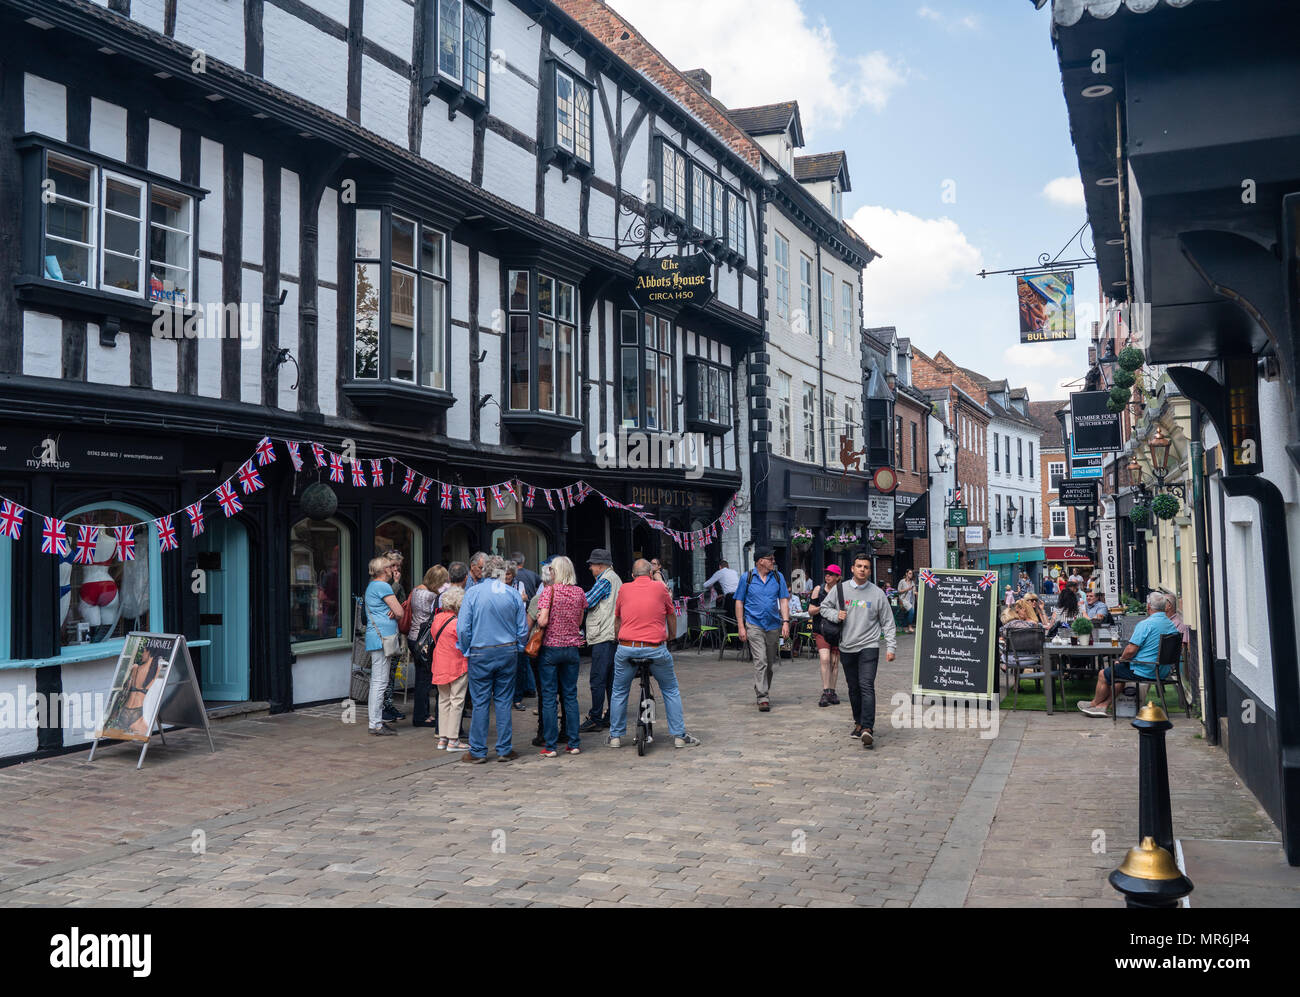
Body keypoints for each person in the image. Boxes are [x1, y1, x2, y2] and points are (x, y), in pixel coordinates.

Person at [607, 559, 700, 749]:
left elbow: (617, 618)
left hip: (627, 646)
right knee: (670, 689)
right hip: (654, 647)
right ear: (650, 574)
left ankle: (615, 737)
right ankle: (679, 736)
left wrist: (619, 638)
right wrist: (671, 636)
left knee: (619, 691)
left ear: (633, 576)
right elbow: (671, 615)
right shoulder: (660, 588)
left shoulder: (624, 589)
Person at [817, 550, 896, 748]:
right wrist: (836, 615)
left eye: (866, 567)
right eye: (859, 566)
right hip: (846, 646)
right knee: (854, 688)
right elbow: (824, 607)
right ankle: (858, 722)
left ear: (870, 571)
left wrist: (891, 647)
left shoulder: (877, 594)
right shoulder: (840, 589)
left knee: (866, 685)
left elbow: (888, 622)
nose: (862, 569)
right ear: (852, 568)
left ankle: (868, 728)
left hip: (869, 645)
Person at [456, 555, 529, 762]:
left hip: (481, 651)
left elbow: (463, 628)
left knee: (480, 702)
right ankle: (504, 749)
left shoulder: (473, 593)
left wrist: (466, 648)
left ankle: (478, 751)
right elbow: (522, 628)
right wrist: (519, 647)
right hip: (507, 650)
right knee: (504, 701)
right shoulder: (512, 594)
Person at [1078, 591, 1181, 717]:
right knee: (1118, 673)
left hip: (1144, 669)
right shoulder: (1171, 625)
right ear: (1165, 607)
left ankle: (1095, 704)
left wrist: (1121, 659)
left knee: (1103, 674)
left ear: (1148, 607)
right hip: (1163, 670)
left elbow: (1131, 650)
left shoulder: (1146, 624)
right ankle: (1102, 706)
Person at [534, 555, 587, 757]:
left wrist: (540, 617)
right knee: (570, 696)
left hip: (551, 648)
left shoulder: (550, 591)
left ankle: (550, 745)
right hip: (572, 648)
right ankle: (574, 743)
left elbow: (544, 621)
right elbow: (580, 620)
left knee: (549, 697)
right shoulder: (579, 592)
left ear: (555, 572)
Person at [734, 547, 790, 712]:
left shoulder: (778, 577)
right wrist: (740, 625)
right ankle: (763, 697)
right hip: (754, 624)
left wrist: (785, 622)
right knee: (761, 660)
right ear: (760, 561)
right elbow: (739, 602)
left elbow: (784, 600)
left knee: (770, 664)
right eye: (770, 559)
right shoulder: (747, 578)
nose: (773, 561)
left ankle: (761, 687)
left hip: (773, 625)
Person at [579, 548, 622, 733]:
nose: (590, 568)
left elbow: (586, 601)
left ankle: (596, 717)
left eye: (592, 564)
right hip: (611, 635)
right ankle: (611, 716)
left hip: (603, 635)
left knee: (598, 679)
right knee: (610, 680)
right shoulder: (614, 578)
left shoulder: (605, 580)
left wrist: (572, 595)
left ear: (600, 565)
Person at [363, 557, 405, 736]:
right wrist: (396, 612)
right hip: (383, 638)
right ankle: (376, 724)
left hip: (377, 637)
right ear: (383, 570)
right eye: (390, 567)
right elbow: (400, 612)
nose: (393, 570)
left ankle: (376, 721)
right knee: (380, 682)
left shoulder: (372, 586)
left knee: (377, 681)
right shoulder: (383, 586)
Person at [429, 585, 471, 752]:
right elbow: (465, 641)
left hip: (439, 663)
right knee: (457, 701)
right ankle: (453, 739)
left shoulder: (437, 619)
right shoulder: (457, 622)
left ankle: (443, 738)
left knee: (443, 700)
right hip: (457, 665)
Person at [408, 564, 449, 729]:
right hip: (424, 640)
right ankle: (421, 716)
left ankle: (422, 713)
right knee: (425, 679)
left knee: (420, 677)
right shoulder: (431, 597)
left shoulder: (416, 590)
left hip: (413, 637)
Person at [808, 565, 843, 708]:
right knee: (825, 659)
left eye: (831, 574)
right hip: (821, 628)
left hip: (836, 630)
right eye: (826, 573)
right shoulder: (819, 589)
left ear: (837, 577)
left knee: (834, 662)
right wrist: (823, 607)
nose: (827, 576)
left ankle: (832, 691)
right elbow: (810, 610)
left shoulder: (841, 591)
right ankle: (825, 690)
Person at [1002, 598, 1046, 690]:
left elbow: (1001, 635)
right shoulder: (1034, 625)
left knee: (1015, 652)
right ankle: (1018, 684)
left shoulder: (1008, 626)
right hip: (1030, 659)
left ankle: (1016, 684)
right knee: (1024, 651)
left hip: (1010, 658)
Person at [897, 569, 917, 634]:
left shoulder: (912, 583)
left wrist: (918, 593)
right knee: (912, 611)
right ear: (906, 574)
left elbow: (914, 592)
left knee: (907, 614)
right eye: (910, 573)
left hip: (911, 600)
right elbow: (899, 591)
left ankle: (905, 627)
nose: (911, 575)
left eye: (911, 574)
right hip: (904, 600)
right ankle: (910, 626)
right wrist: (907, 589)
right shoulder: (902, 582)